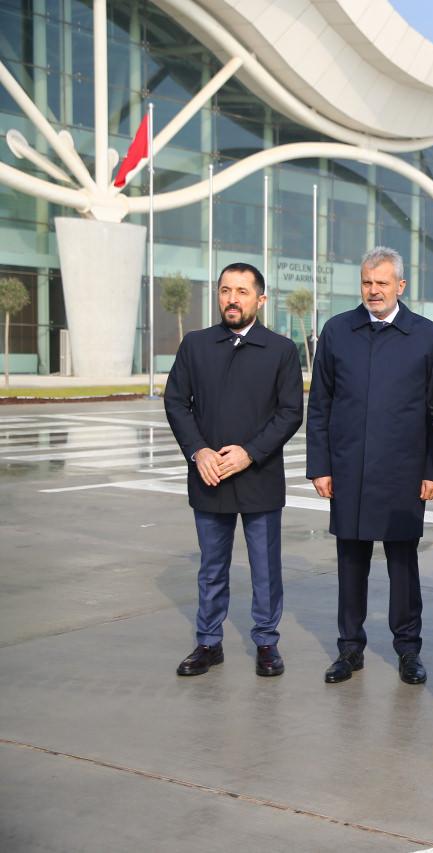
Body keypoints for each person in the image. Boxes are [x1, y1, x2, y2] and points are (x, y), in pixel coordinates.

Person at [306, 246, 433, 686]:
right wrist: (320, 466)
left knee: (403, 565)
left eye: (382, 283)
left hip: (404, 474)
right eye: (367, 282)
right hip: (348, 470)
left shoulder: (425, 336)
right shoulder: (337, 331)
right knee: (351, 562)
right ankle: (350, 649)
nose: (373, 290)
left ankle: (409, 651)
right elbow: (321, 405)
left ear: (400, 286)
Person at [165, 262, 303, 678]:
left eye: (242, 291)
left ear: (260, 299)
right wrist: (199, 452)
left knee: (265, 567)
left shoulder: (280, 349)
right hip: (209, 476)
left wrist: (249, 453)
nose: (232, 299)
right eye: (226, 290)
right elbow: (176, 402)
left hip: (258, 475)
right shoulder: (196, 344)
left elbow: (290, 412)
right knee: (211, 567)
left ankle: (266, 643)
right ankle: (208, 643)